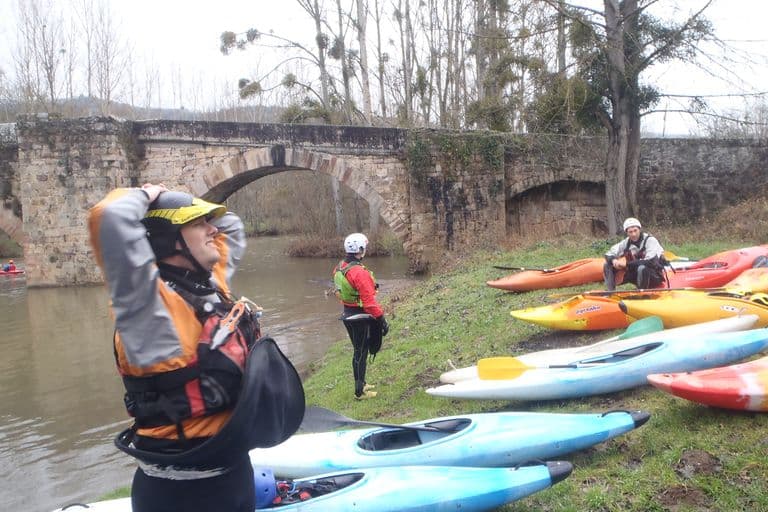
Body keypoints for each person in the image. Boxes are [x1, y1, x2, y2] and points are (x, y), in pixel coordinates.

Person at [88, 184, 305, 512]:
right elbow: (109, 217)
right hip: (182, 494)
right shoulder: (148, 310)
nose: (213, 230)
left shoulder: (208, 288)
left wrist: (183, 203)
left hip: (233, 477)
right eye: (198, 223)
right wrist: (149, 195)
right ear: (166, 239)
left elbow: (229, 224)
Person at [332, 233, 389, 400]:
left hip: (348, 313)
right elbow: (369, 302)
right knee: (361, 352)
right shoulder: (359, 272)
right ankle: (359, 392)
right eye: (364, 247)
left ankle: (362, 383)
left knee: (359, 351)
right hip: (360, 317)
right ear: (360, 249)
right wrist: (382, 319)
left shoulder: (340, 267)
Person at [604, 217, 666, 290]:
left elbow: (650, 262)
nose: (633, 234)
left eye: (635, 230)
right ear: (627, 233)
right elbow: (608, 254)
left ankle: (642, 294)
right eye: (630, 232)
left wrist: (626, 265)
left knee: (642, 268)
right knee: (607, 264)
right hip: (636, 274)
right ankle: (611, 292)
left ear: (639, 229)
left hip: (654, 275)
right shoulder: (626, 243)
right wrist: (614, 260)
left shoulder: (650, 241)